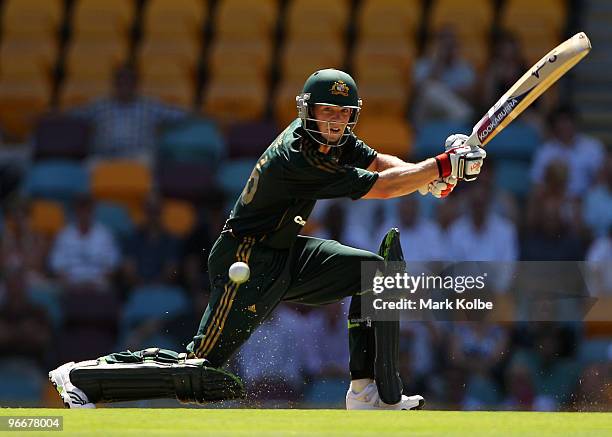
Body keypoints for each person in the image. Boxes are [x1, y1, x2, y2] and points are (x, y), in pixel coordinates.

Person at [49, 69, 486, 410]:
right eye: (326, 112)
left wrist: (431, 176)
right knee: (198, 370)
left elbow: (380, 164)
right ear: (307, 111)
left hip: (285, 252)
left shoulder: (334, 141)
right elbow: (385, 187)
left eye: (343, 113)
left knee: (376, 274)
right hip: (247, 260)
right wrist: (441, 166)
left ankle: (368, 395)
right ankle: (83, 378)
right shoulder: (297, 156)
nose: (335, 122)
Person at [71, 65, 187, 161]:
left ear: (136, 85)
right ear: (115, 84)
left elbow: (180, 115)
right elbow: (73, 115)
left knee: (148, 163)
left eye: (128, 82)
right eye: (121, 82)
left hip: (139, 154)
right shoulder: (99, 105)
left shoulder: (150, 105)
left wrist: (200, 114)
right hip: (104, 154)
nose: (124, 86)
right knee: (90, 166)